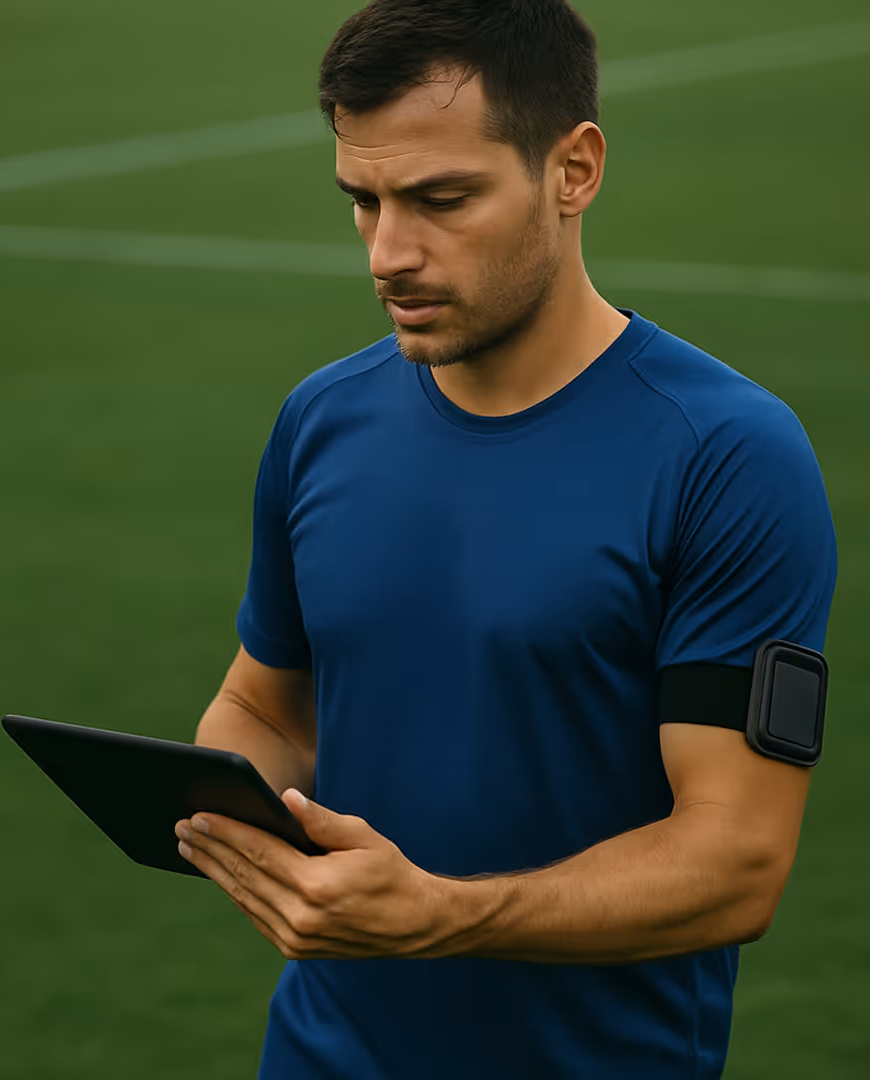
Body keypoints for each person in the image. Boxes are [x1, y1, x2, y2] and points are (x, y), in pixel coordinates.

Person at [174, 1, 837, 1076]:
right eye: (363, 200)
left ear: (573, 170)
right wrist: (238, 821)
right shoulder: (321, 419)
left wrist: (444, 913)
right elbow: (263, 705)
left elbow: (738, 859)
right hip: (317, 1055)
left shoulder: (728, 454)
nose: (390, 253)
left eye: (442, 199)